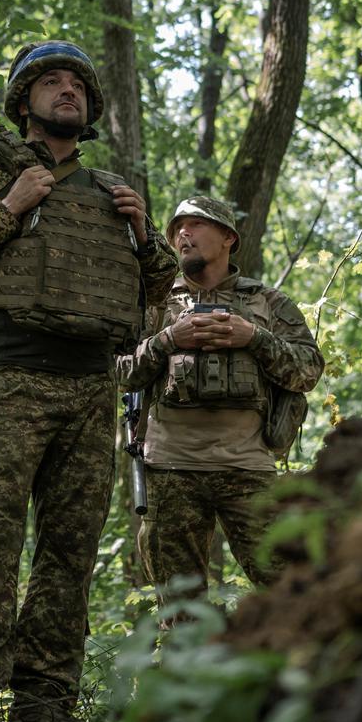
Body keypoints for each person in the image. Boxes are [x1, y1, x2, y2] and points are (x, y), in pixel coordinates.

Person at [0, 40, 177, 722]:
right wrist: (9, 205)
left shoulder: (113, 192)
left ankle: (46, 703)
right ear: (24, 101)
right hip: (12, 376)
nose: (69, 92)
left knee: (71, 548)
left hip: (92, 383)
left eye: (78, 87)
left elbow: (157, 288)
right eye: (53, 82)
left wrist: (145, 232)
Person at [117, 195, 324, 601]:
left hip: (248, 468)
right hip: (171, 470)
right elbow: (120, 371)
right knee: (180, 611)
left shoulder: (269, 303)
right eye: (177, 229)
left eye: (195, 225)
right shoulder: (156, 304)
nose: (182, 236)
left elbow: (308, 371)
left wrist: (256, 339)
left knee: (291, 594)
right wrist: (167, 340)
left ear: (228, 237)